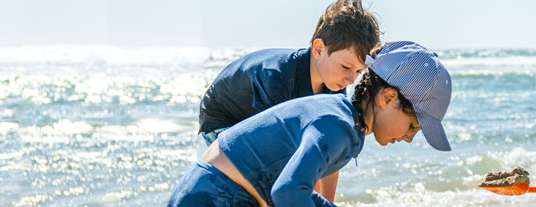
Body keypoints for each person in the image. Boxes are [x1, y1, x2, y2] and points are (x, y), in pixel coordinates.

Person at [169, 41, 454, 207]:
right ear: (388, 97)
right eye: (413, 127)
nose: (409, 138)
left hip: (214, 191)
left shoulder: (343, 119)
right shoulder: (339, 127)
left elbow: (299, 189)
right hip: (215, 196)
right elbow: (288, 192)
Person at [197, 0, 379, 201]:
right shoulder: (277, 78)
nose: (351, 79)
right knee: (269, 183)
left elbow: (327, 152)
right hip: (224, 118)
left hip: (260, 121)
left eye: (359, 72)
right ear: (318, 49)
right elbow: (275, 155)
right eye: (346, 67)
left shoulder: (334, 86)